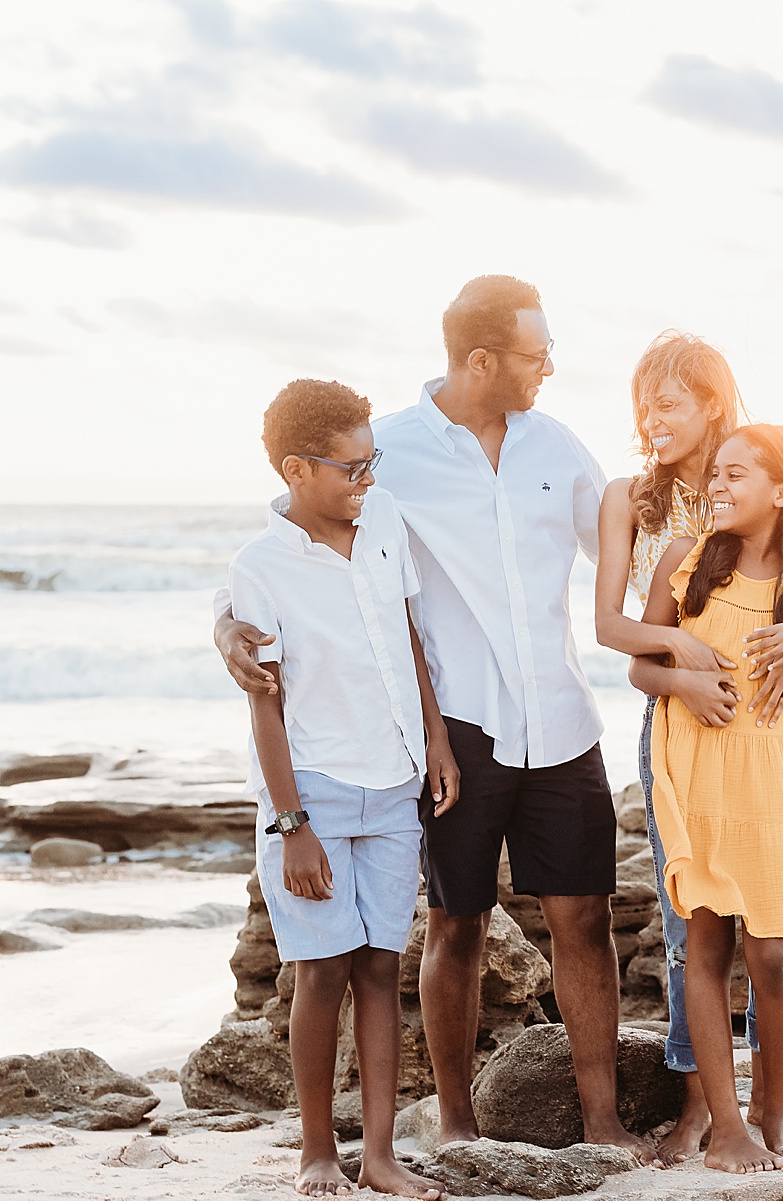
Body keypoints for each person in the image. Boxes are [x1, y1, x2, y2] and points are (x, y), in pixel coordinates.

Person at [216, 276, 650, 1161]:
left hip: (563, 720)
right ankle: (455, 1119)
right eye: (537, 354)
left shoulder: (561, 450)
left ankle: (602, 1118)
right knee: (457, 921)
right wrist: (226, 623)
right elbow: (301, 559)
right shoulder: (392, 455)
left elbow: (624, 567)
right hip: (457, 726)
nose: (550, 369)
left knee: (584, 918)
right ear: (482, 359)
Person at [593, 333, 783, 1164]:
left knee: (772, 943)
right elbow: (616, 630)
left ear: (712, 401)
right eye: (641, 403)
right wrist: (681, 668)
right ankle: (707, 1111)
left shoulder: (767, 478)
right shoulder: (647, 511)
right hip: (689, 735)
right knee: (691, 933)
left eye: (668, 401)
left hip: (773, 758)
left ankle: (758, 1108)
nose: (650, 419)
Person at [230, 379, 453, 1199]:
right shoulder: (258, 569)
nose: (366, 480)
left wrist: (435, 740)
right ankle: (317, 1150)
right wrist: (291, 825)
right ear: (296, 467)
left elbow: (407, 636)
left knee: (379, 967)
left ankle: (382, 1153)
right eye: (350, 467)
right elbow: (267, 702)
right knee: (321, 970)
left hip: (394, 780)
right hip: (314, 789)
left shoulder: (383, 520)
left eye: (372, 463)